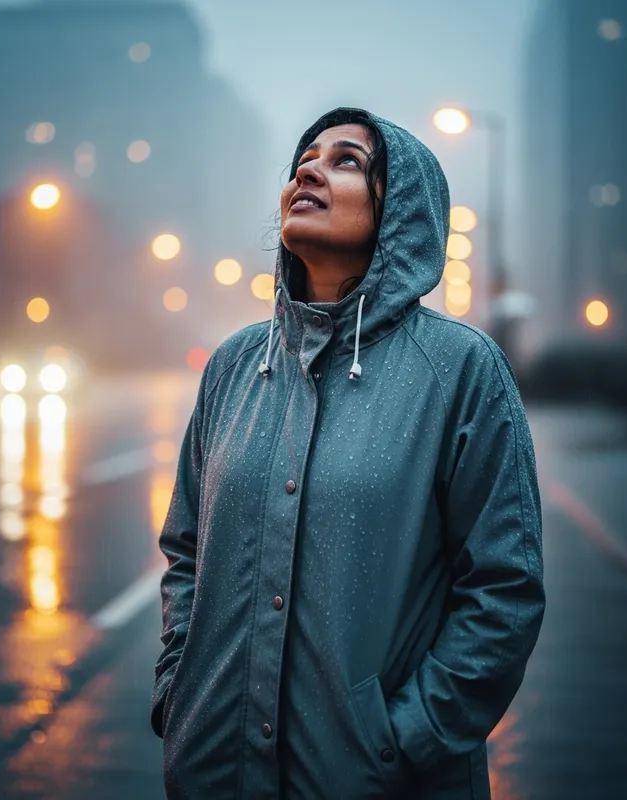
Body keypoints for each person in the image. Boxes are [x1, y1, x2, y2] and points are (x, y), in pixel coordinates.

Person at [151, 107, 545, 799]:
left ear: (401, 212)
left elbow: (502, 592)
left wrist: (402, 740)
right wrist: (179, 690)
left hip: (377, 779)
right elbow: (186, 551)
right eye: (305, 158)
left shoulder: (459, 370)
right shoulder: (235, 367)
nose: (308, 168)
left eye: (346, 160)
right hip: (214, 772)